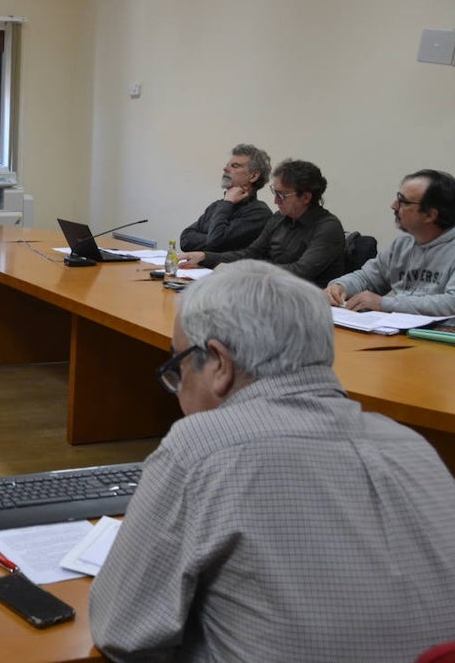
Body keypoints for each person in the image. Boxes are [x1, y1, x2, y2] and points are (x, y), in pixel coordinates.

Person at [90, 260, 455, 663]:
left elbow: (123, 634)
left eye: (177, 367)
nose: (177, 390)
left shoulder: (201, 448)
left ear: (219, 364)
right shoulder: (411, 443)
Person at [181, 158, 345, 287]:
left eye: (281, 195)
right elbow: (250, 253)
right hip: (271, 292)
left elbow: (300, 271)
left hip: (307, 302)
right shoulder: (279, 218)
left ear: (306, 197)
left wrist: (244, 270)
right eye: (275, 192)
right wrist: (205, 256)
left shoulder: (328, 227)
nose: (275, 201)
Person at [326, 169, 455, 316]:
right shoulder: (402, 245)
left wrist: (384, 304)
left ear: (430, 215)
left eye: (403, 202)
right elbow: (367, 278)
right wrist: (340, 286)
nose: (393, 205)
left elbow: (451, 303)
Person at [178, 143, 272, 252]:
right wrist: (211, 240)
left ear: (254, 176)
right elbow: (185, 239)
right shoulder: (217, 206)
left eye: (235, 166)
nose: (225, 169)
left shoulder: (259, 213)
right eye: (228, 165)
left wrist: (227, 203)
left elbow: (216, 241)